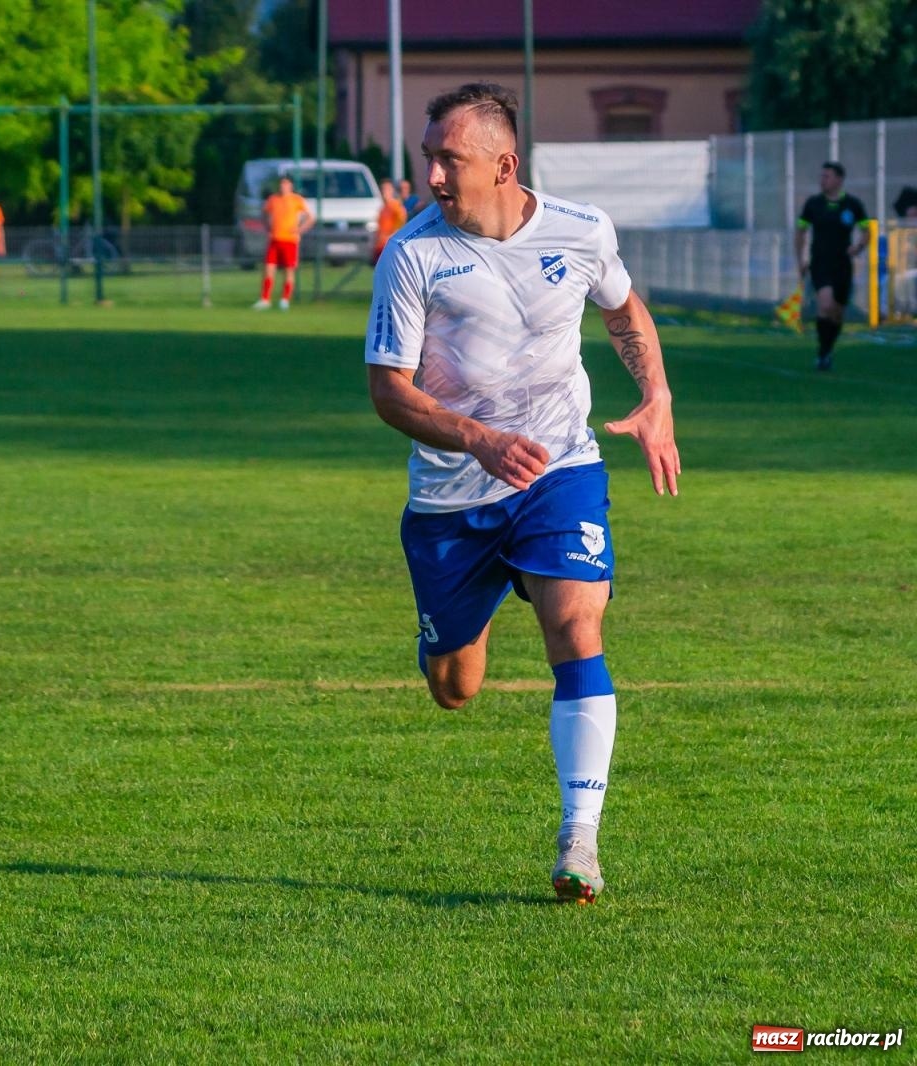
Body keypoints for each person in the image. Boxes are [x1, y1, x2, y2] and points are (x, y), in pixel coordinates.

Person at [365, 83, 679, 904]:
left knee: (578, 627)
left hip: (557, 470)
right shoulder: (412, 255)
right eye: (428, 156)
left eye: (448, 159)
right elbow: (388, 391)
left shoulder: (581, 231)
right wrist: (477, 438)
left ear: (504, 164)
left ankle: (580, 842)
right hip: (450, 499)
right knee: (454, 687)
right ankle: (463, 624)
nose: (431, 174)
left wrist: (656, 398)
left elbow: (623, 309)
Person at [794, 162, 868, 371]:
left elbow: (866, 229)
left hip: (843, 265)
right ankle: (823, 353)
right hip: (820, 263)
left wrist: (859, 246)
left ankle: (827, 351)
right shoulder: (813, 204)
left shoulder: (853, 205)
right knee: (825, 305)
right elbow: (800, 231)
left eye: (827, 176)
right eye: (822, 176)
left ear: (839, 180)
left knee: (837, 313)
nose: (822, 180)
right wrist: (800, 260)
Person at [254, 175, 312, 311]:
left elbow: (310, 217)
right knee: (268, 268)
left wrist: (299, 229)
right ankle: (265, 299)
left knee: (289, 270)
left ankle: (285, 300)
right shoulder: (273, 199)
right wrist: (268, 227)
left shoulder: (297, 200)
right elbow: (263, 214)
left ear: (290, 185)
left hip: (290, 240)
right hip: (275, 239)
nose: (283, 186)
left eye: (286, 184)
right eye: (281, 184)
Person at [371, 178, 407, 264]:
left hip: (388, 247)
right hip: (380, 246)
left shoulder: (397, 207)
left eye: (387, 189)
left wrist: (390, 239)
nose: (384, 192)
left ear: (392, 191)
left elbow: (401, 227)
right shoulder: (383, 209)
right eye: (383, 189)